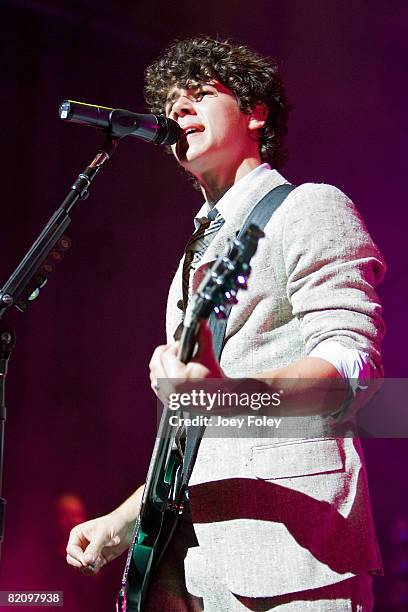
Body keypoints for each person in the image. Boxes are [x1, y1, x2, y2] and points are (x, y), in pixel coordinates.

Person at [66, 37, 386, 610]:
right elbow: (200, 434)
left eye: (199, 95)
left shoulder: (308, 206)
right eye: (170, 102)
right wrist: (121, 522)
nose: (177, 109)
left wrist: (230, 397)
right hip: (186, 563)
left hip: (291, 554)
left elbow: (352, 365)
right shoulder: (195, 251)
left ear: (256, 113)